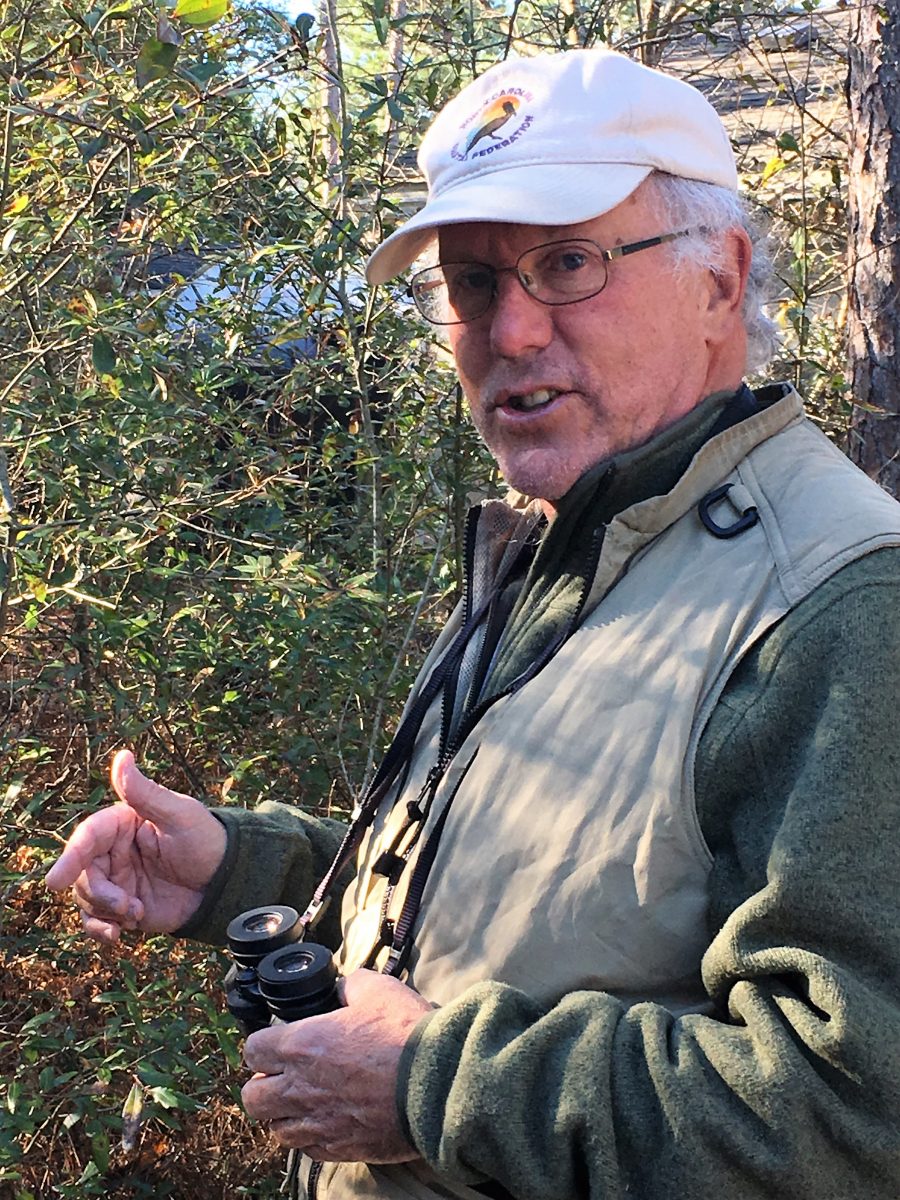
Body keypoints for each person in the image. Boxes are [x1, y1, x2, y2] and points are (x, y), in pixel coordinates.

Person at [46, 47, 900, 1200]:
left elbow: (852, 1116)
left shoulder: (836, 604)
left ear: (720, 278)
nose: (513, 332)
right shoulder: (587, 533)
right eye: (473, 284)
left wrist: (429, 1083)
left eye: (567, 264)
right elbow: (555, 908)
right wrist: (238, 867)